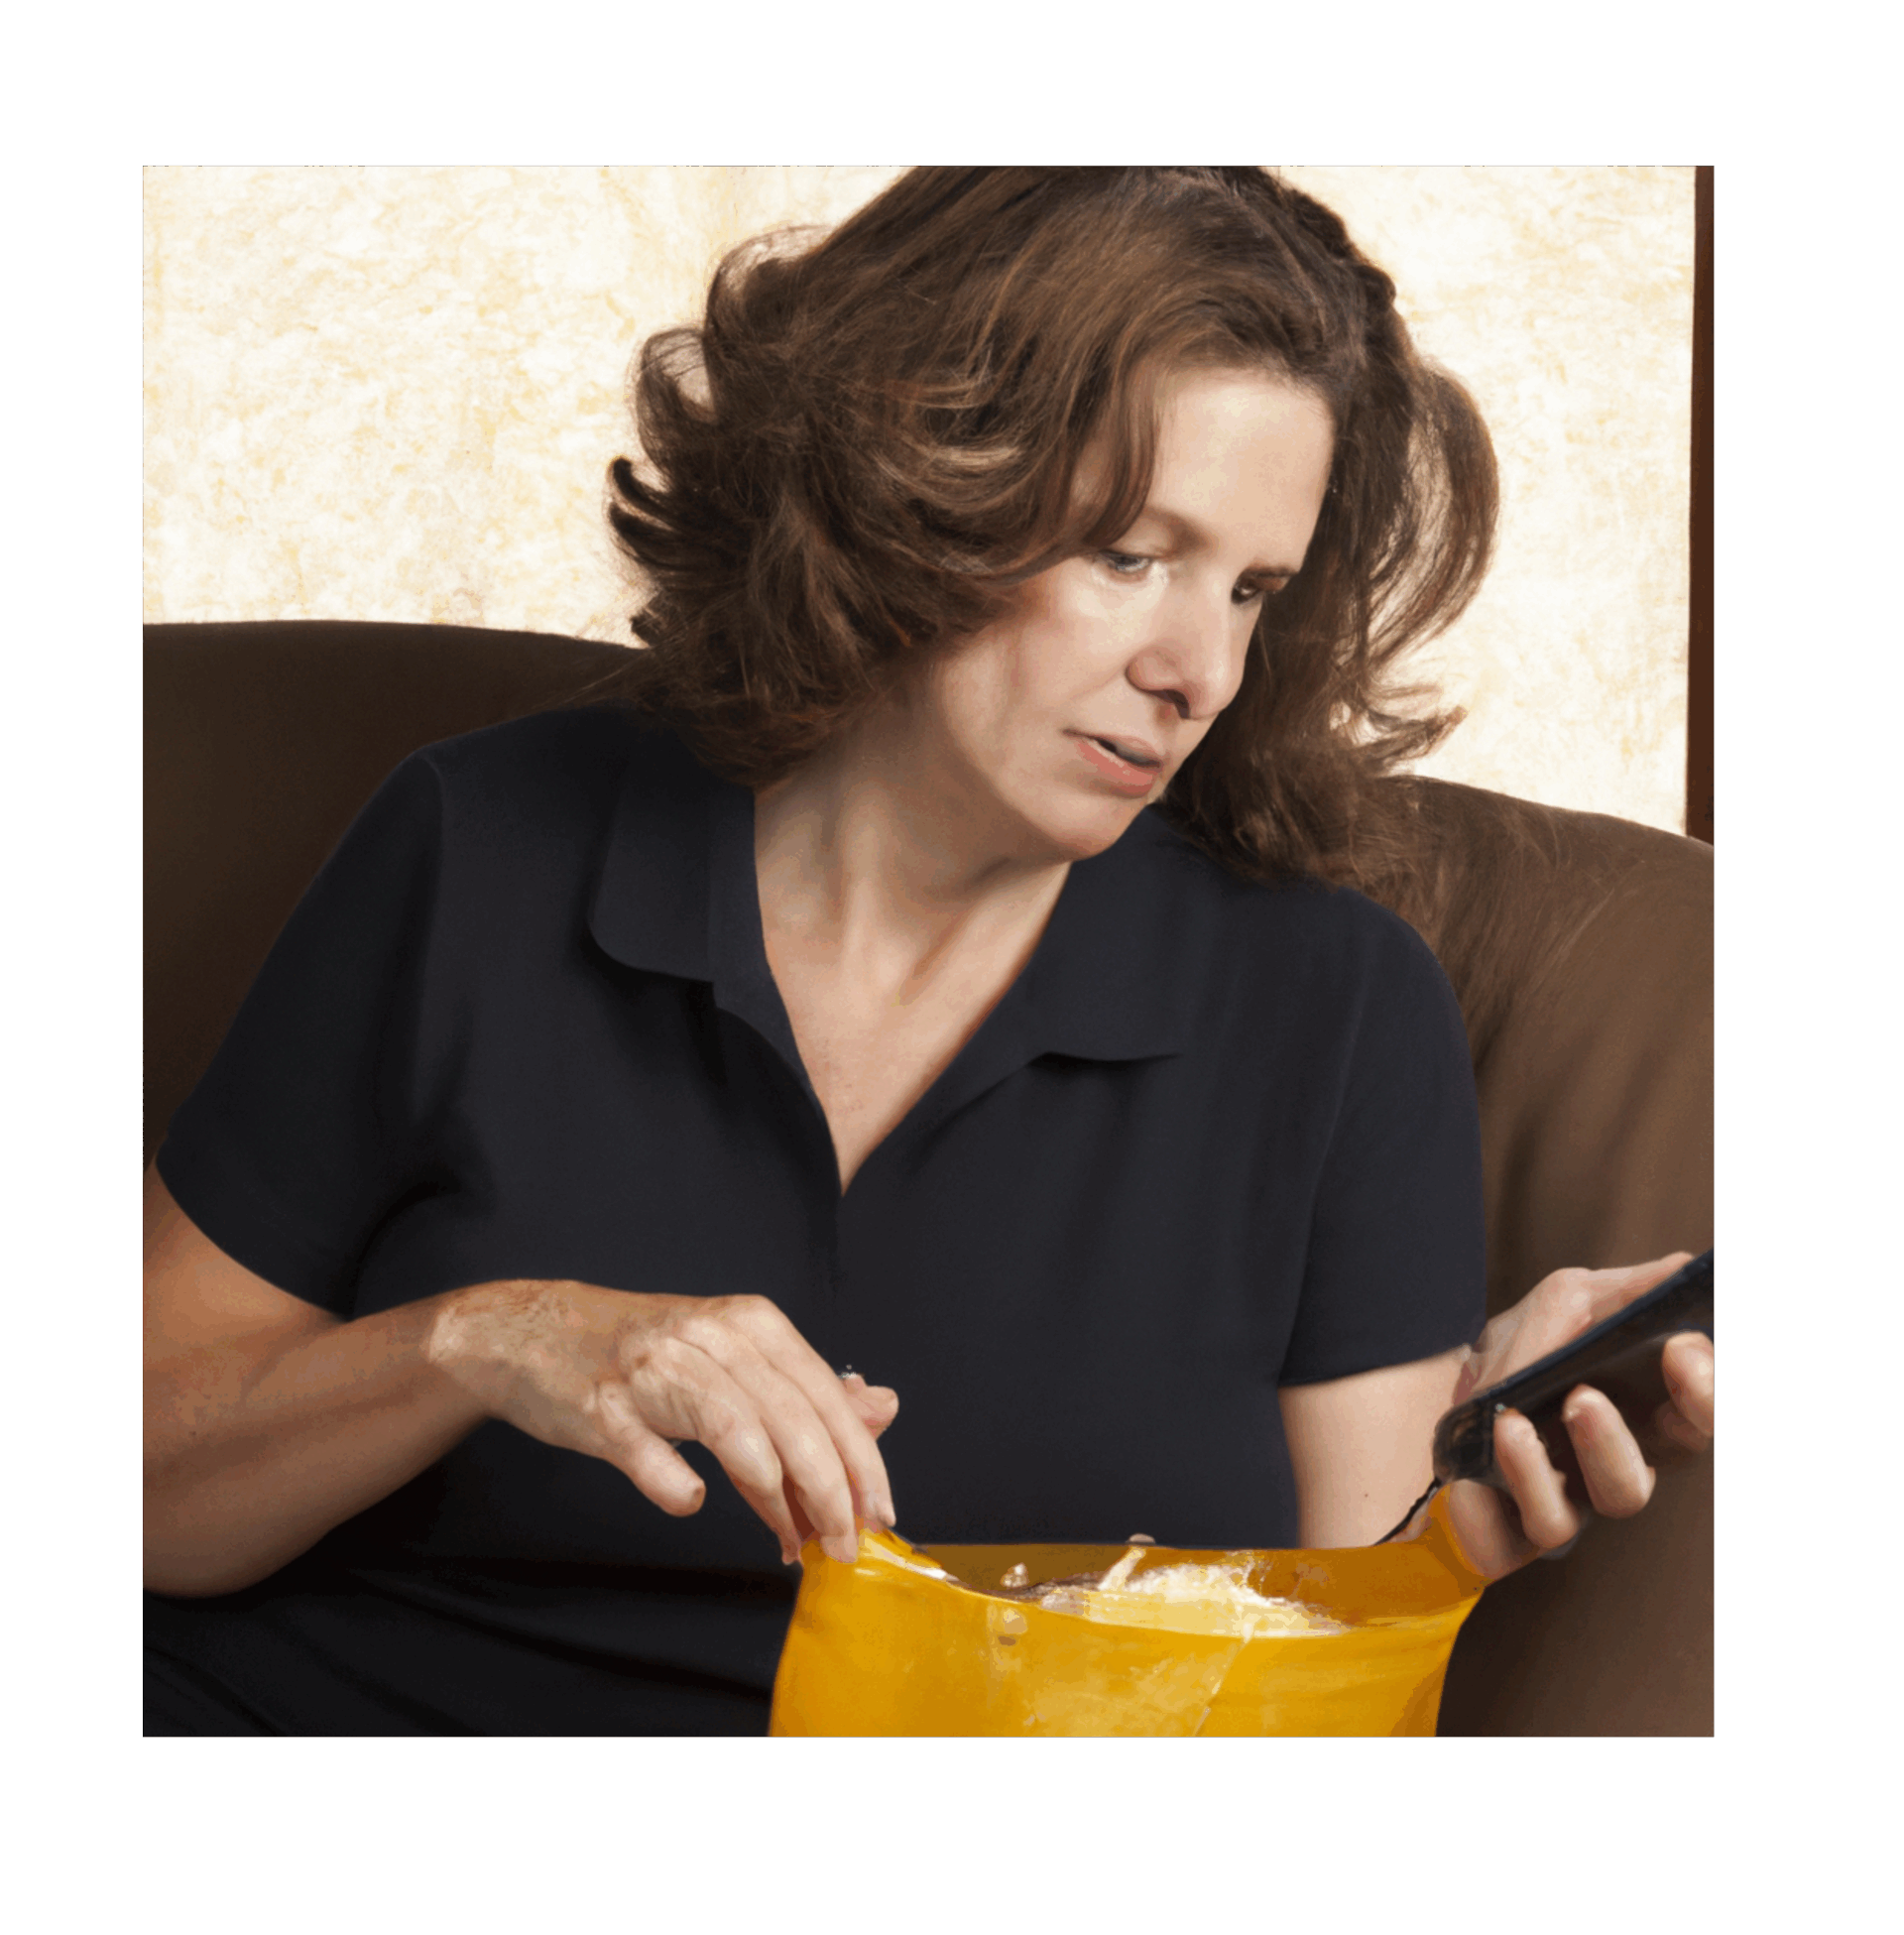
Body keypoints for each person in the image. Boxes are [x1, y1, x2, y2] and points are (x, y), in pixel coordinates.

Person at [142, 165, 1715, 1736]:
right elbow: (136, 1486)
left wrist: (1457, 1525)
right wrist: (493, 1339)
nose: (1202, 668)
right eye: (1130, 555)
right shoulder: (485, 846)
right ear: (912, 487)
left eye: (1252, 589)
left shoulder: (1336, 1005)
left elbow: (1302, 1714)